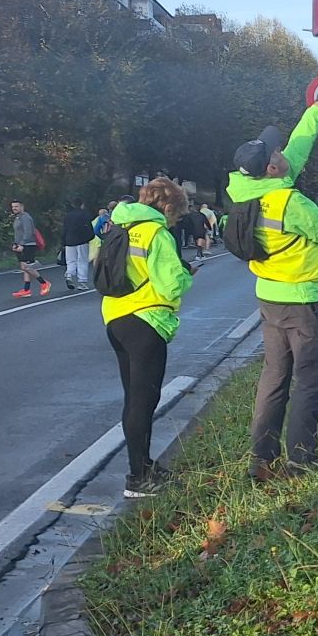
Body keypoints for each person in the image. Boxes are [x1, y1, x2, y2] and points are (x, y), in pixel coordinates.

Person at [227, 99, 318, 480]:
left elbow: (298, 145)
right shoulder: (288, 202)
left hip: (269, 297)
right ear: (274, 167)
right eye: (277, 151)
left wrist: (317, 109)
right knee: (310, 378)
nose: (282, 150)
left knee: (274, 376)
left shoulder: (249, 192)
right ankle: (300, 460)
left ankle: (262, 455)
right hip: (300, 302)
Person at [104, 178, 196, 498]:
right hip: (147, 320)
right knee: (145, 400)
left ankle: (142, 465)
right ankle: (139, 476)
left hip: (116, 318)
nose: (175, 221)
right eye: (177, 216)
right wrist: (186, 274)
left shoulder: (120, 226)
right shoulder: (157, 233)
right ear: (168, 208)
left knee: (134, 398)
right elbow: (171, 285)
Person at [10, 199, 49, 298]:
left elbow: (28, 233)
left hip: (28, 245)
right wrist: (15, 244)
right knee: (24, 267)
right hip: (20, 245)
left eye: (16, 206)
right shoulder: (18, 218)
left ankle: (44, 283)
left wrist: (22, 245)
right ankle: (27, 290)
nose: (14, 208)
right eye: (13, 206)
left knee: (27, 267)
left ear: (22, 207)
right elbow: (18, 233)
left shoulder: (26, 217)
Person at [61, 200, 93, 291]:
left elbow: (64, 229)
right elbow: (89, 228)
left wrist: (63, 241)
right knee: (82, 260)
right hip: (82, 240)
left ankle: (69, 274)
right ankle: (82, 282)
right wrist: (89, 237)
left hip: (69, 240)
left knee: (71, 261)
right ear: (82, 205)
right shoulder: (85, 215)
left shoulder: (68, 216)